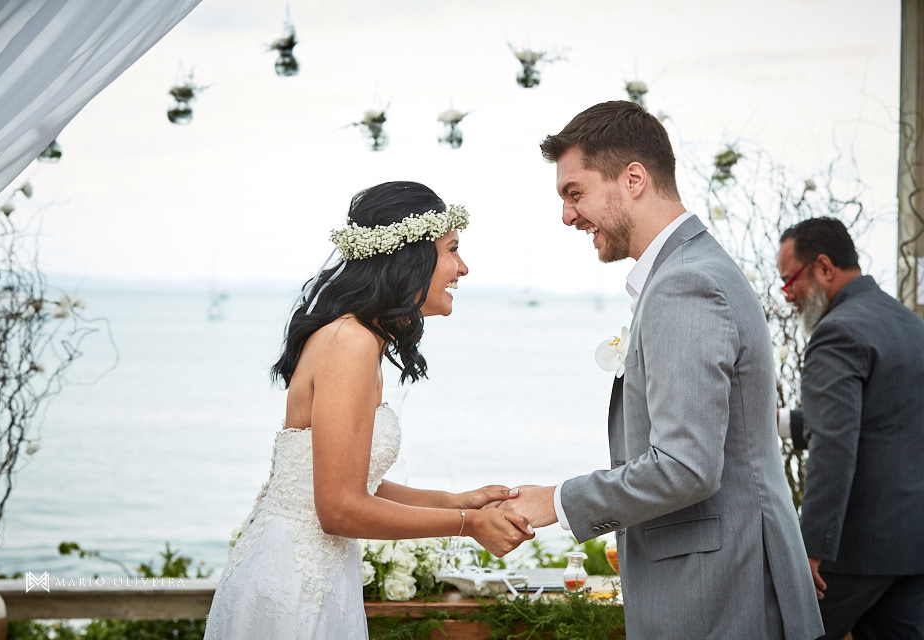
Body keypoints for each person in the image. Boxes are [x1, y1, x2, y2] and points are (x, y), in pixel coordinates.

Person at [501, 101, 824, 639]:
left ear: (633, 179)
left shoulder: (684, 283)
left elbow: (685, 467)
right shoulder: (692, 269)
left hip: (722, 596)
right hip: (724, 583)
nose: (567, 215)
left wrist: (556, 502)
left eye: (574, 192)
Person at [203, 181, 534, 639]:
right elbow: (338, 508)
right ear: (410, 257)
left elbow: (351, 480)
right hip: (294, 586)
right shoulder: (349, 343)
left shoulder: (359, 340)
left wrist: (451, 500)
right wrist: (467, 524)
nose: (463, 267)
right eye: (453, 250)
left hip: (317, 571)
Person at [777, 217, 924, 640]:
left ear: (823, 267)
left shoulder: (836, 332)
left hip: (854, 549)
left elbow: (834, 444)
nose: (787, 297)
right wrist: (782, 422)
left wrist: (811, 549)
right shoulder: (909, 324)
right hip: (911, 546)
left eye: (790, 282)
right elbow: (886, 422)